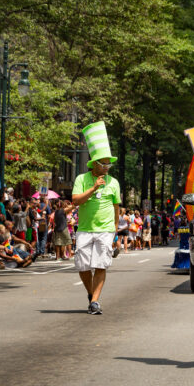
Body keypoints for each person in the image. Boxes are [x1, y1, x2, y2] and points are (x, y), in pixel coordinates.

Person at [71, 121, 122, 315]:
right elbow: (75, 201)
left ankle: (94, 302)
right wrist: (93, 189)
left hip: (106, 230)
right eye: (104, 163)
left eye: (109, 163)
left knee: (100, 264)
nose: (108, 166)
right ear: (95, 164)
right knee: (83, 265)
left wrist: (115, 228)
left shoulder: (114, 182)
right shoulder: (81, 180)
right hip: (84, 228)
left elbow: (116, 206)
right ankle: (91, 293)